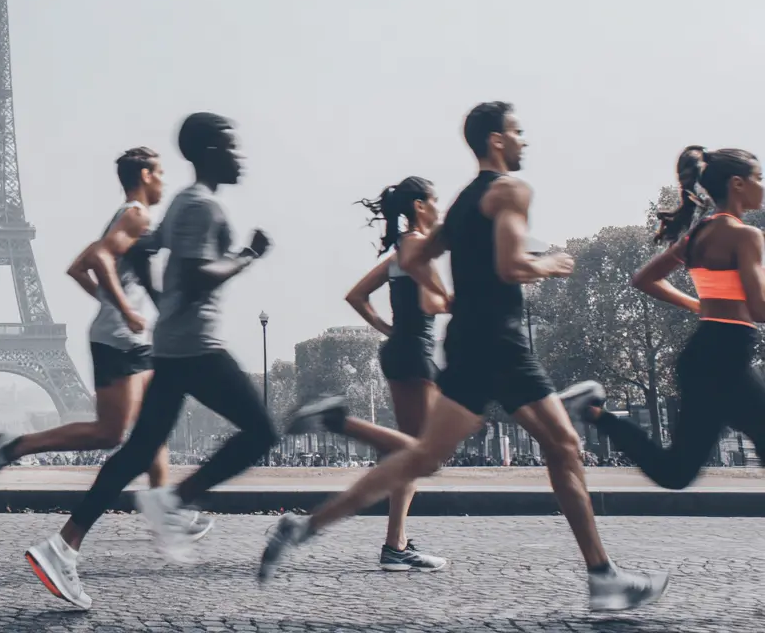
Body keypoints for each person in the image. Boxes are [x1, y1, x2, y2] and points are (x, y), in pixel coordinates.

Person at [258, 101, 669, 613]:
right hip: (501, 340)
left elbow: (413, 255)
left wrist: (442, 290)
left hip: (465, 342)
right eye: (518, 132)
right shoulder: (511, 191)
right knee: (562, 447)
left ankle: (307, 525)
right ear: (496, 140)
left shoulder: (461, 203)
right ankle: (603, 577)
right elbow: (509, 263)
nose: (525, 141)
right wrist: (549, 263)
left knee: (424, 456)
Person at [25, 113, 279, 610]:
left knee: (137, 453)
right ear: (207, 153)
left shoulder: (183, 202)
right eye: (230, 146)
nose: (239, 154)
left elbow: (144, 249)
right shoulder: (201, 205)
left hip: (169, 345)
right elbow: (200, 274)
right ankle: (175, 502)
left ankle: (63, 546)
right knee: (263, 432)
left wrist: (164, 305)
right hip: (197, 346)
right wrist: (249, 253)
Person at [0, 146, 210, 538]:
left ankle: (165, 508)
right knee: (110, 433)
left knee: (156, 423)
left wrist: (113, 303)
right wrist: (123, 309)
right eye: (161, 172)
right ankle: (14, 446)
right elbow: (98, 259)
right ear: (146, 176)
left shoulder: (127, 218)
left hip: (131, 338)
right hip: (120, 340)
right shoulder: (135, 215)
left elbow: (77, 266)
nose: (166, 180)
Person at [562, 147, 765, 494]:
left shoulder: (698, 235)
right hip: (729, 357)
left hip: (702, 355)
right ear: (737, 184)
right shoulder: (746, 236)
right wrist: (703, 305)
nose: (763, 185)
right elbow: (759, 308)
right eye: (758, 178)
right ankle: (594, 412)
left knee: (676, 472)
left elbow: (644, 278)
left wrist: (698, 305)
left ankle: (595, 413)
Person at [282, 176, 449, 571]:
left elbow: (356, 296)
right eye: (435, 200)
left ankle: (396, 545)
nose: (440, 207)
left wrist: (388, 329)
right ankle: (338, 421)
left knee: (412, 452)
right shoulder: (413, 246)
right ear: (421, 206)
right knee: (423, 453)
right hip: (415, 353)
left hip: (403, 349)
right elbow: (439, 300)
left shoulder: (398, 253)